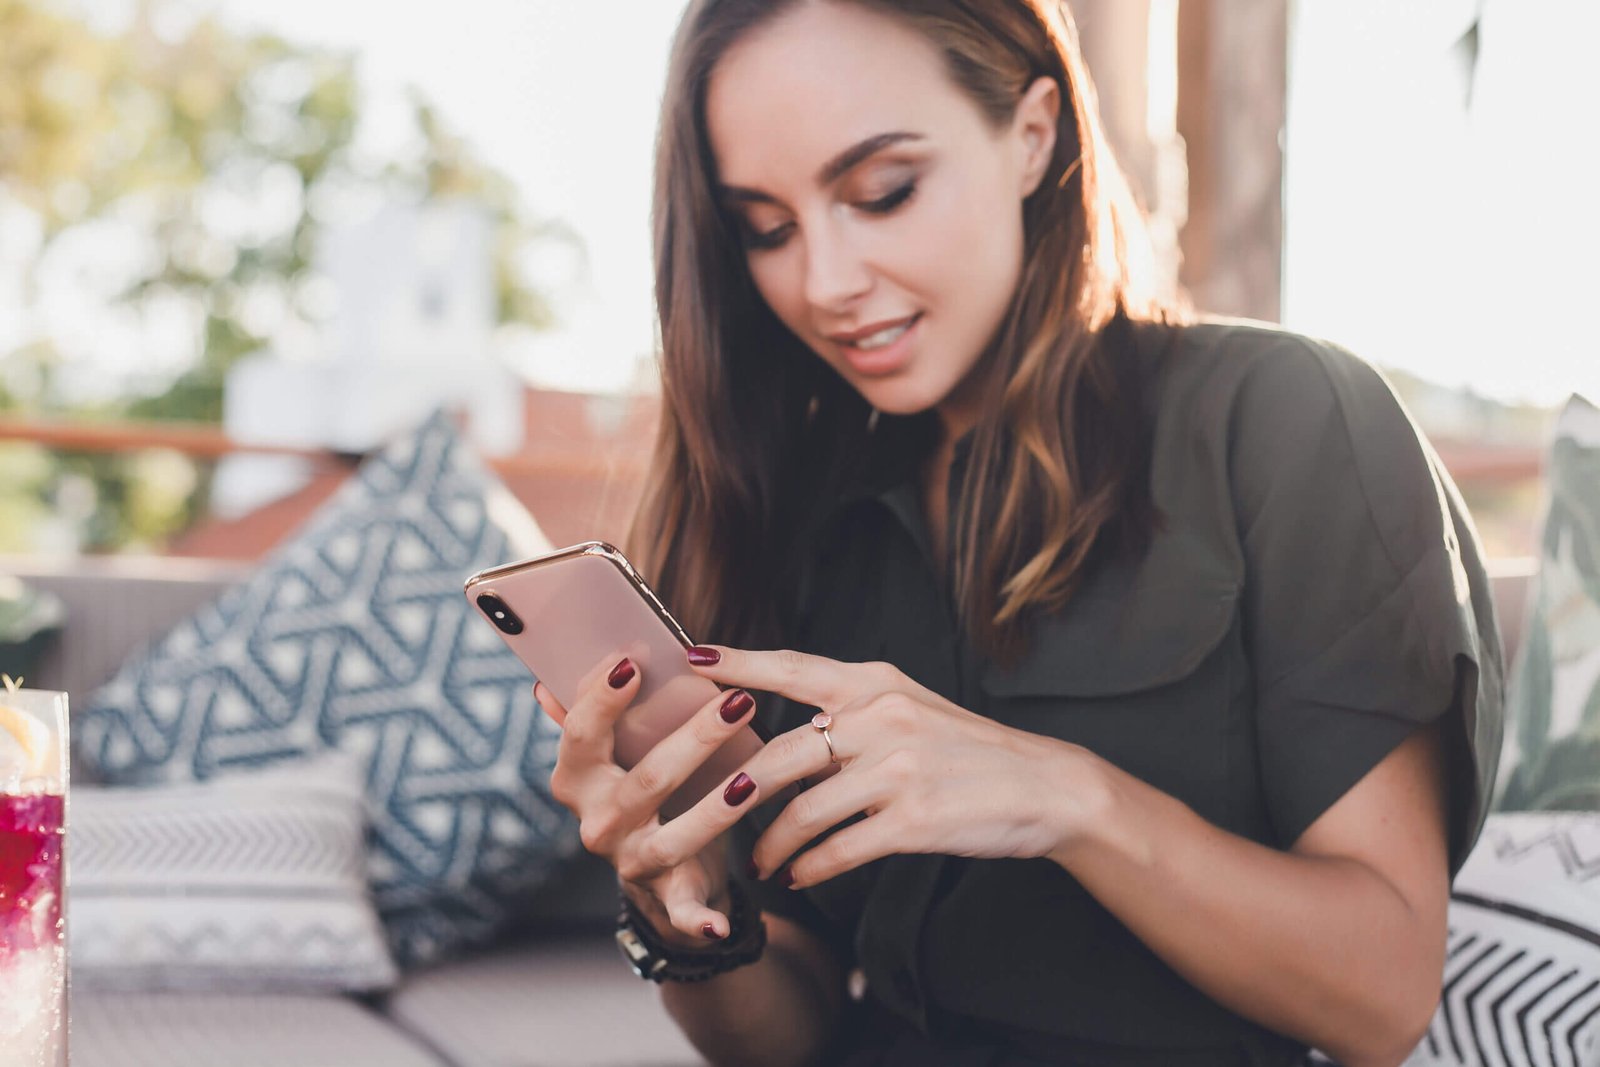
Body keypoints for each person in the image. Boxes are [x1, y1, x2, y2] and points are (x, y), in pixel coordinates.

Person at [533, 1, 1505, 1064]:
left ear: (1033, 132)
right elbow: (789, 1029)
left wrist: (1064, 796)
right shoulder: (801, 509)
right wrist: (687, 921)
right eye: (766, 228)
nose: (824, 283)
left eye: (881, 192)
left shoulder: (1282, 421)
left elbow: (1383, 990)